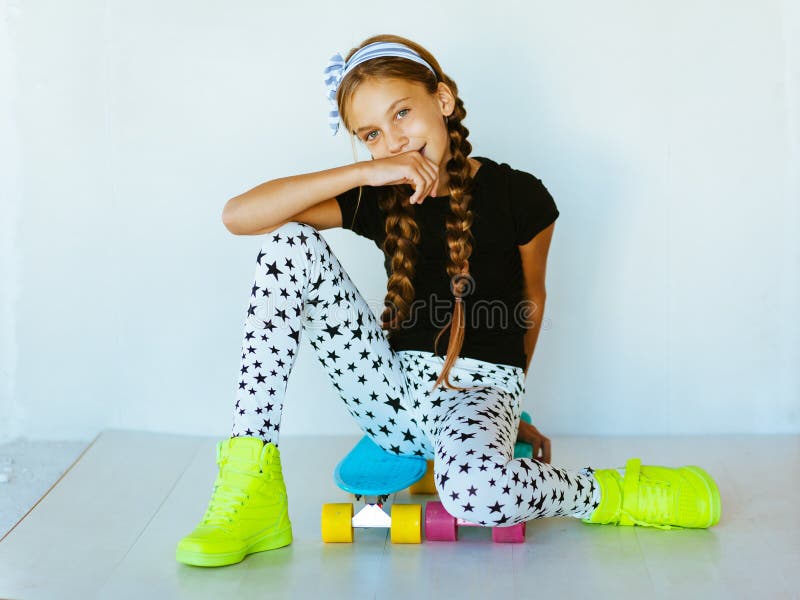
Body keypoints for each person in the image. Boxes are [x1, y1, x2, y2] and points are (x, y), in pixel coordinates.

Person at [175, 34, 721, 568]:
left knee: (474, 495)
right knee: (288, 242)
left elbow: (532, 298)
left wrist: (508, 409)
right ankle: (251, 486)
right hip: (390, 393)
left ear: (442, 99)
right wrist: (367, 171)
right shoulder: (378, 193)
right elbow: (239, 216)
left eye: (401, 114)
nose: (393, 139)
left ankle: (612, 494)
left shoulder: (519, 195)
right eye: (370, 133)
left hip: (479, 391)